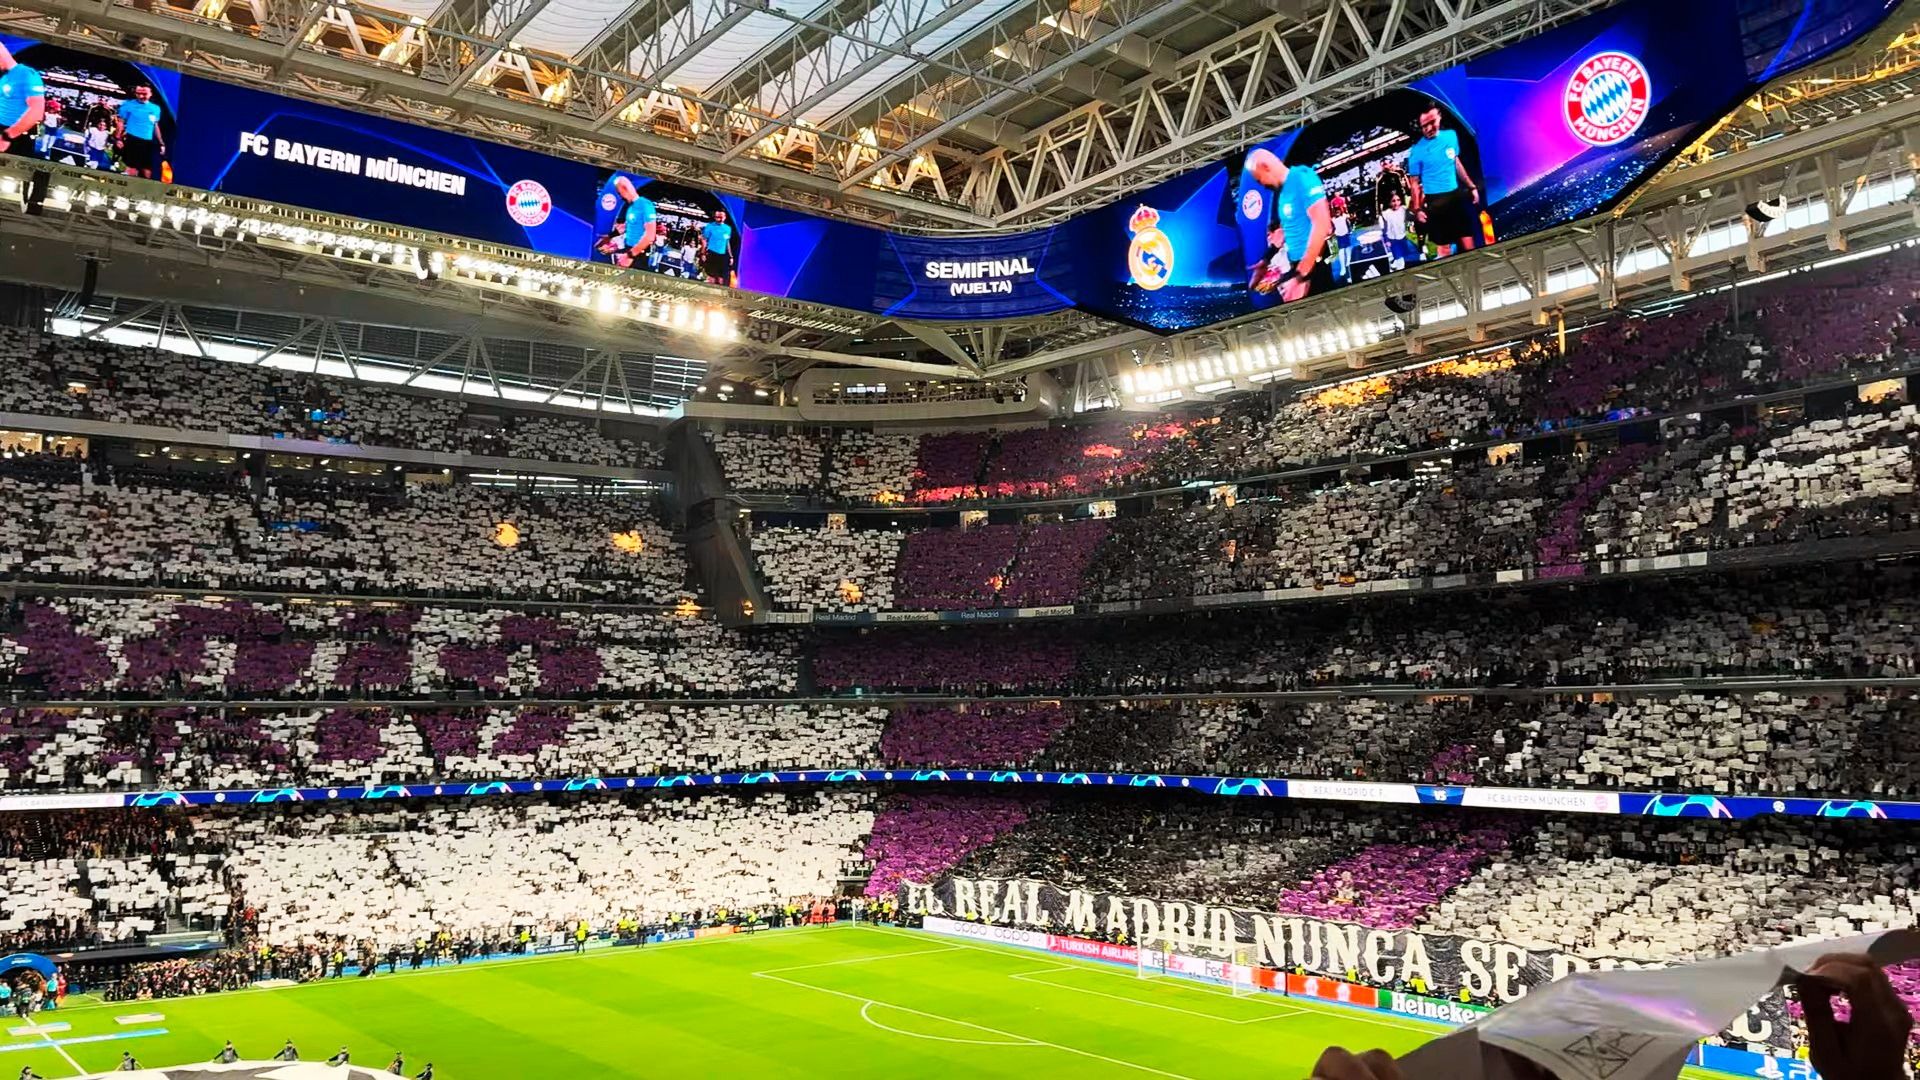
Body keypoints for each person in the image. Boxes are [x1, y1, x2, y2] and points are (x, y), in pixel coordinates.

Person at [1245, 147, 1333, 303]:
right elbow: (1284, 232)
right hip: (1298, 268)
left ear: (1266, 167)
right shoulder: (1282, 195)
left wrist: (1301, 276)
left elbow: (1322, 224)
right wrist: (1265, 260)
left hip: (1313, 269)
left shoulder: (1302, 177)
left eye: (1259, 180)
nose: (1262, 185)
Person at [1405, 102, 1481, 257]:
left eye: (1432, 123)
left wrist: (1472, 187)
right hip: (1436, 203)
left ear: (1439, 117)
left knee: (1468, 241)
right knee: (1443, 248)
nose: (1428, 129)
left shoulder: (1451, 136)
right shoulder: (1417, 151)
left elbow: (1456, 162)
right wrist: (1418, 209)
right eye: (1424, 125)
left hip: (1456, 196)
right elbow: (1414, 183)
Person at [598, 176, 658, 269]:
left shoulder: (645, 205)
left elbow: (650, 236)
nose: (620, 196)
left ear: (625, 189)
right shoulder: (631, 207)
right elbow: (627, 226)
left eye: (619, 193)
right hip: (629, 249)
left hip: (638, 254)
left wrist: (630, 256)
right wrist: (609, 237)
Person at [0, 44, 45, 158]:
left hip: (14, 136)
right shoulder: (5, 77)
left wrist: (8, 136)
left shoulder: (26, 74)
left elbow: (36, 111)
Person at [114, 84, 165, 180]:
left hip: (147, 143)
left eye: (144, 94)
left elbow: (155, 125)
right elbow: (120, 123)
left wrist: (161, 143)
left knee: (147, 170)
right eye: (138, 93)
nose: (141, 96)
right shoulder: (128, 105)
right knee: (132, 169)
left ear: (150, 94)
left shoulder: (155, 109)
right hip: (132, 140)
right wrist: (118, 139)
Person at [698, 210, 735, 286]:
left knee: (721, 279)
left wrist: (731, 256)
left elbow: (727, 242)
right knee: (711, 277)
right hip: (711, 253)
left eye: (721, 217)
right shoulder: (709, 226)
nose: (719, 219)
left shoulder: (728, 228)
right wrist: (703, 253)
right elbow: (704, 240)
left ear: (724, 217)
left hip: (722, 255)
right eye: (717, 217)